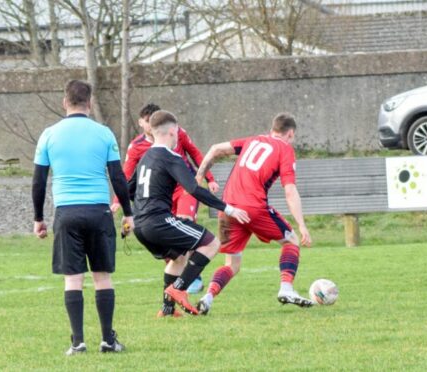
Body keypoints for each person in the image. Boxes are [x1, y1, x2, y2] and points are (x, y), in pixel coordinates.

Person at [32, 80, 134, 355]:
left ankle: (77, 342)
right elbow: (118, 177)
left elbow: (39, 182)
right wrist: (128, 213)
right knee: (102, 277)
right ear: (89, 103)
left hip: (67, 213)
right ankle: (107, 340)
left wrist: (38, 218)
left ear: (64, 102)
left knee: (73, 279)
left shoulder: (49, 135)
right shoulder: (104, 134)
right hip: (99, 211)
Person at [128, 110, 249, 317]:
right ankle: (180, 288)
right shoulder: (170, 156)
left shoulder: (145, 157)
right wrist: (228, 208)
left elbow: (129, 189)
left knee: (179, 258)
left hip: (140, 226)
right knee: (211, 243)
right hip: (158, 221)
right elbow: (193, 189)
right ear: (173, 132)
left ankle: (167, 310)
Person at [194, 112, 313, 315]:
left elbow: (215, 149)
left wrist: (198, 176)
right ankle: (286, 289)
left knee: (232, 264)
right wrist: (302, 224)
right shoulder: (285, 148)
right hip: (252, 207)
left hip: (227, 208)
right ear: (290, 133)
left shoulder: (252, 140)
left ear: (272, 130)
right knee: (291, 240)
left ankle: (208, 298)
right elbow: (290, 190)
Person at [111, 103, 219, 294]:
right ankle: (178, 287)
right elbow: (127, 176)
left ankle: (191, 277)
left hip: (183, 189)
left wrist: (209, 178)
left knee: (186, 225)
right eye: (147, 121)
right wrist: (119, 203)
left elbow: (194, 152)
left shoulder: (176, 133)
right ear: (142, 123)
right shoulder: (136, 147)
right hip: (160, 196)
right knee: (173, 241)